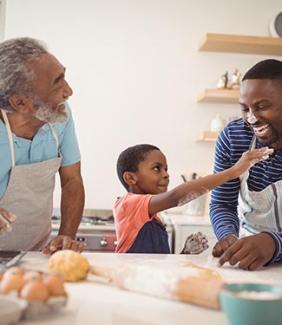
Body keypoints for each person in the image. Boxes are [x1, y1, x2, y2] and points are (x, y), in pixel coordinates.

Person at [0, 37, 85, 254]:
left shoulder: (61, 115)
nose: (69, 91)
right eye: (57, 82)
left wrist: (66, 235)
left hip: (34, 253)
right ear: (20, 102)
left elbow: (72, 180)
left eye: (64, 76)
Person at [114, 144, 272, 254]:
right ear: (130, 178)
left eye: (166, 169)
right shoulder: (127, 204)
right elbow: (175, 197)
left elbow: (158, 262)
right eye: (157, 168)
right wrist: (233, 171)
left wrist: (185, 252)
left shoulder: (153, 216)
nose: (166, 174)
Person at [210, 59, 282, 270]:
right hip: (252, 260)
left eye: (261, 107)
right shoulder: (233, 137)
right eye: (245, 109)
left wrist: (274, 243)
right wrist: (227, 236)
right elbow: (222, 203)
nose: (251, 119)